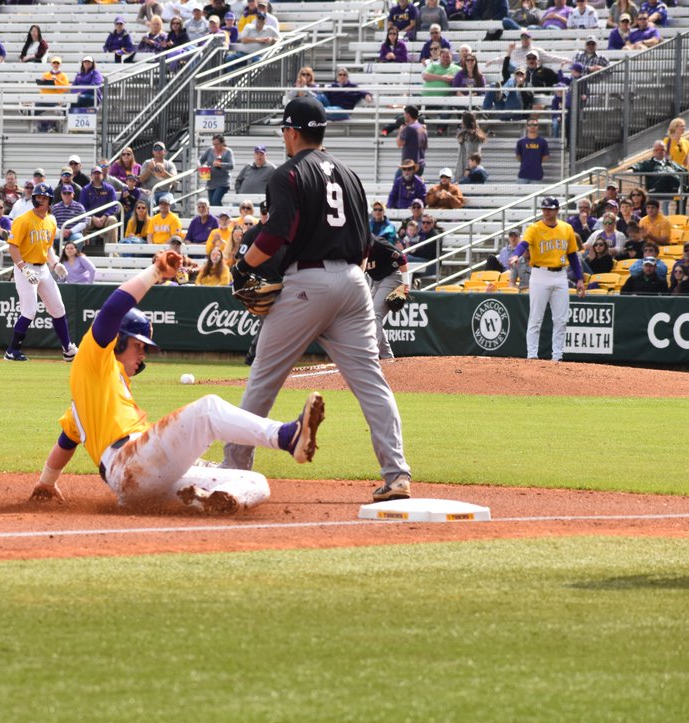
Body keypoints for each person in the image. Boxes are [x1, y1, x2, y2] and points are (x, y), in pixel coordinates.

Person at [30, 246, 323, 512]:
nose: (143, 353)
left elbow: (66, 441)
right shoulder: (94, 361)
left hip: (139, 483)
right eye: (138, 345)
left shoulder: (90, 399)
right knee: (208, 409)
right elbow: (111, 310)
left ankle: (212, 499)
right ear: (117, 341)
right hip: (127, 461)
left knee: (254, 481)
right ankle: (286, 436)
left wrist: (46, 482)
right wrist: (156, 272)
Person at [222, 95, 412, 501]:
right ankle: (397, 475)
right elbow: (364, 243)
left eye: (284, 132)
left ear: (291, 132)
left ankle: (234, 471)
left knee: (263, 379)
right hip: (354, 282)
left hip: (307, 282)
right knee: (372, 383)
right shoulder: (350, 175)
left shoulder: (287, 174)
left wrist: (244, 267)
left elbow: (276, 234)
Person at [5, 184, 78, 362]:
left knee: (58, 308)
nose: (40, 200)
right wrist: (23, 268)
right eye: (38, 197)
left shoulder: (51, 220)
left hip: (43, 268)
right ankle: (12, 351)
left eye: (44, 198)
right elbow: (12, 248)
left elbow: (48, 247)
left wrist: (55, 264)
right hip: (26, 266)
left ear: (50, 200)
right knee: (29, 311)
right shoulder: (23, 220)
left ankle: (68, 350)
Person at [509, 197, 585, 361]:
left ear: (557, 210)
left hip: (560, 275)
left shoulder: (566, 228)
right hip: (540, 274)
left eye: (550, 209)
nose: (546, 212)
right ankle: (532, 355)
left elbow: (572, 255)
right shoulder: (534, 228)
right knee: (536, 318)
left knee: (561, 319)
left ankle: (557, 356)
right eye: (544, 209)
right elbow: (523, 244)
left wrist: (579, 279)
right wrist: (516, 255)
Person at [199, 135, 235, 206]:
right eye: (213, 144)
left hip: (223, 182)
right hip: (211, 182)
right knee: (211, 204)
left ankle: (223, 216)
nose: (215, 146)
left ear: (222, 143)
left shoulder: (228, 152)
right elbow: (200, 160)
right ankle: (219, 216)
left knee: (215, 201)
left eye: (217, 144)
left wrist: (220, 164)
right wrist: (201, 166)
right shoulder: (210, 150)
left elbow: (231, 165)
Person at [515, 119, 549, 184]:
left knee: (536, 194)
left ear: (538, 126)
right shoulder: (521, 142)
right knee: (520, 194)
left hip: (537, 175)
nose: (532, 127)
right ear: (527, 126)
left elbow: (546, 156)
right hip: (523, 174)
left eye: (535, 125)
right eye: (530, 125)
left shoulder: (543, 142)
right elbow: (518, 156)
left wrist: (536, 162)